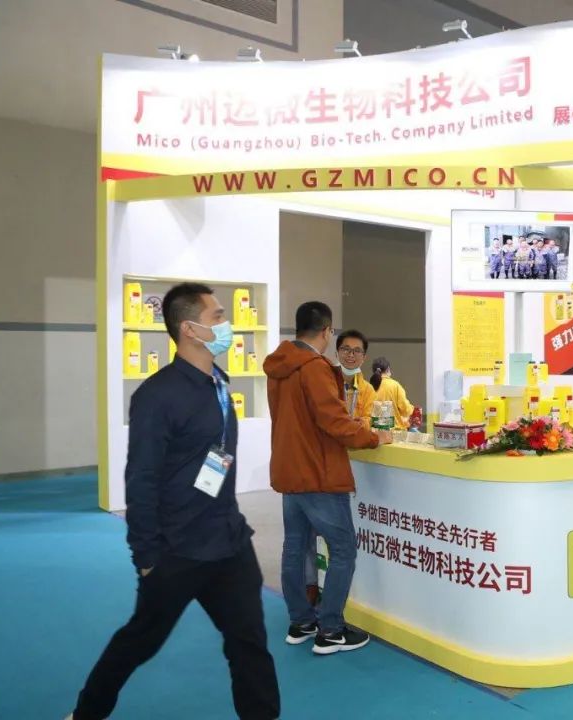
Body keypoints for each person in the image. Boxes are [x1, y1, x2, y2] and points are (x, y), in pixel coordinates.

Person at [69, 282, 279, 720]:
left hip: (229, 541)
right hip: (177, 550)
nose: (227, 324)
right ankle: (87, 713)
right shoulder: (157, 395)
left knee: (249, 642)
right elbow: (141, 479)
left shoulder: (218, 383)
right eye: (218, 317)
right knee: (140, 640)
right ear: (189, 329)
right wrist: (146, 556)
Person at [264, 301, 380, 655]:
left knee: (295, 547)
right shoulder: (314, 368)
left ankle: (301, 622)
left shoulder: (280, 365)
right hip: (318, 472)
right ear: (328, 332)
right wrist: (373, 437)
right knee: (343, 549)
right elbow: (333, 420)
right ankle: (330, 630)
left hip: (290, 470)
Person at [295, 329, 375, 608]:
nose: (351, 356)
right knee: (310, 536)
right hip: (320, 464)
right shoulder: (322, 377)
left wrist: (360, 427)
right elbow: (328, 421)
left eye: (357, 351)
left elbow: (367, 421)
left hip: (343, 461)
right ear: (336, 351)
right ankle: (313, 591)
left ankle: (320, 605)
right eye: (346, 350)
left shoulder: (368, 390)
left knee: (331, 541)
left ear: (364, 357)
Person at [371, 356, 415, 430]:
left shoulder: (370, 387)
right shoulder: (395, 385)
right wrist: (412, 409)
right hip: (395, 432)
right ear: (388, 369)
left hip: (376, 432)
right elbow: (406, 410)